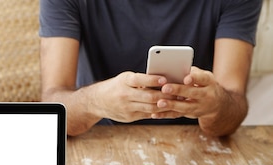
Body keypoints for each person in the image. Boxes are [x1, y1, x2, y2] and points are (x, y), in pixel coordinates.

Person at [39, 0, 263, 137]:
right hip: (99, 134)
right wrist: (95, 101)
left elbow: (233, 108)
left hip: (195, 142)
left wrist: (215, 104)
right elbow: (51, 108)